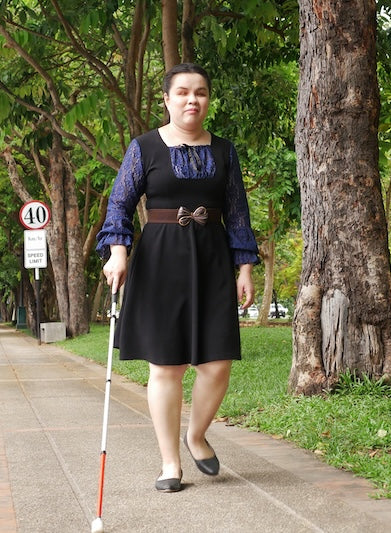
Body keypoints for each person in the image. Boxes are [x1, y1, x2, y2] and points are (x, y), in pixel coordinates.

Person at [96, 63, 258, 493]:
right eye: (183, 92)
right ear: (166, 100)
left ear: (207, 100)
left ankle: (196, 435)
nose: (192, 100)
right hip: (159, 260)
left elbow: (238, 211)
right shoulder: (144, 147)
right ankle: (170, 462)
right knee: (165, 366)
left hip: (211, 259)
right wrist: (117, 252)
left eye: (201, 92)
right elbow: (120, 206)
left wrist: (244, 267)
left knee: (217, 362)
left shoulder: (225, 151)